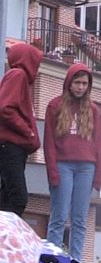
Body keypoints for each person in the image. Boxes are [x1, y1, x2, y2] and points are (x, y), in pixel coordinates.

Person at [44, 64, 101, 261]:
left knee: (79, 219)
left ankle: (76, 261)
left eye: (84, 84)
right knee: (59, 216)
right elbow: (48, 143)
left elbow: (98, 143)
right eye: (77, 82)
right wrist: (52, 171)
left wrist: (99, 175)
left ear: (89, 86)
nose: (80, 87)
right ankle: (53, 259)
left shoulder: (93, 110)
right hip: (63, 165)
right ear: (69, 83)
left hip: (86, 167)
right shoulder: (54, 105)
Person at [0, 44, 43, 216]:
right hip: (10, 146)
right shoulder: (18, 75)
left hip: (13, 147)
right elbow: (5, 108)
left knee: (6, 197)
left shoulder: (19, 78)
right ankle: (8, 240)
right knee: (18, 198)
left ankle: (4, 239)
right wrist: (28, 131)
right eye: (36, 62)